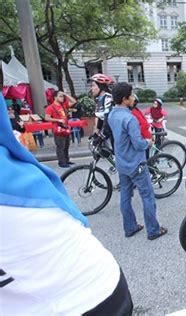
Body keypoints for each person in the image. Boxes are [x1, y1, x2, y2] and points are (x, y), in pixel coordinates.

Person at [0, 95, 133, 315]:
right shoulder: (121, 113)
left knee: (133, 191)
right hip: (96, 289)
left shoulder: (115, 113)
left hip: (83, 298)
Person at [107, 82, 167, 240]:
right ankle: (153, 230)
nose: (134, 98)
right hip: (136, 163)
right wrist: (149, 142)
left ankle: (130, 227)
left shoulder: (112, 114)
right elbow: (139, 144)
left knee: (125, 196)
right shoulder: (130, 118)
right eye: (132, 95)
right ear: (125, 99)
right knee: (147, 196)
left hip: (121, 162)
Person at [45, 91, 76, 168]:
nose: (62, 98)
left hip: (66, 128)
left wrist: (65, 94)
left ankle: (66, 160)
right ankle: (62, 162)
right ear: (55, 97)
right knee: (60, 146)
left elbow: (74, 101)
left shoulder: (63, 105)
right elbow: (47, 118)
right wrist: (58, 120)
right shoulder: (50, 107)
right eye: (60, 96)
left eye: (62, 96)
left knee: (66, 145)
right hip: (58, 129)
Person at [90, 73, 115, 144]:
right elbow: (100, 118)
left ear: (101, 86)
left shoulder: (108, 98)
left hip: (113, 133)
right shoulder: (98, 99)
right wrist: (96, 134)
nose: (91, 88)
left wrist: (101, 137)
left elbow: (108, 119)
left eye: (93, 85)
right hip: (106, 132)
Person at [130, 94, 153, 158]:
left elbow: (143, 124)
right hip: (144, 137)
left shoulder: (133, 111)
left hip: (143, 138)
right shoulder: (135, 110)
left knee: (144, 159)